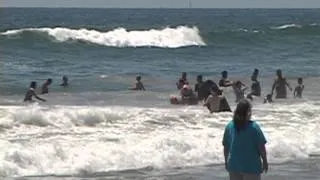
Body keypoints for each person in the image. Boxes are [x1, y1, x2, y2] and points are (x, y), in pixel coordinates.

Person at [223, 99, 268, 180]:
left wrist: (226, 161)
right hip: (251, 167)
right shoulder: (254, 127)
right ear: (247, 112)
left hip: (234, 166)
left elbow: (226, 146)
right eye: (250, 110)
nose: (251, 113)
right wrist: (265, 161)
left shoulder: (230, 126)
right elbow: (261, 147)